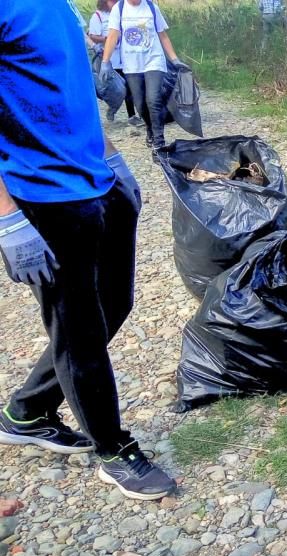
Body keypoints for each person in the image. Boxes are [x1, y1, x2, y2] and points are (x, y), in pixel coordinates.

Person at [0, 0, 176, 501]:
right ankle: (113, 449)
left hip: (95, 180)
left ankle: (27, 411)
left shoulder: (60, 5)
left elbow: (71, 93)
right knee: (78, 328)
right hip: (40, 195)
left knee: (113, 304)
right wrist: (8, 217)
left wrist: (113, 161)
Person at [99, 0, 189, 148]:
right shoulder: (119, 9)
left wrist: (174, 58)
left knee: (153, 100)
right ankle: (150, 128)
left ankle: (159, 142)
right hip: (131, 64)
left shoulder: (152, 7)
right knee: (140, 105)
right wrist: (105, 61)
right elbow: (113, 35)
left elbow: (162, 35)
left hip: (154, 60)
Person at [88, 0, 140, 126]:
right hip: (109, 60)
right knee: (116, 90)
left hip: (126, 57)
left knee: (129, 87)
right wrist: (108, 39)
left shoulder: (123, 12)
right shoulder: (98, 16)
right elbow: (91, 35)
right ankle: (112, 108)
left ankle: (132, 115)